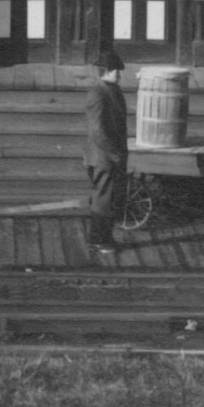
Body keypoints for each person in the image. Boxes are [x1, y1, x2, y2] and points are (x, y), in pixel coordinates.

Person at [84, 47, 129, 255]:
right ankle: (99, 240)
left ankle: (102, 238)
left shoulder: (113, 90)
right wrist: (114, 154)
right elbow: (98, 132)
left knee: (108, 198)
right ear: (104, 71)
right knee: (103, 199)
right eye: (115, 71)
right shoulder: (98, 93)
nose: (119, 74)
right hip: (103, 156)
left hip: (111, 155)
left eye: (119, 71)